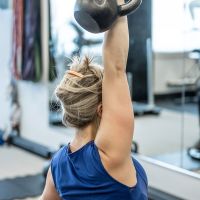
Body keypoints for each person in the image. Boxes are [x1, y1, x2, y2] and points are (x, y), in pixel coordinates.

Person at [41, 0, 148, 199]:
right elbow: (115, 68)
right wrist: (118, 6)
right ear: (101, 109)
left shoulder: (57, 166)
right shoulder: (109, 155)